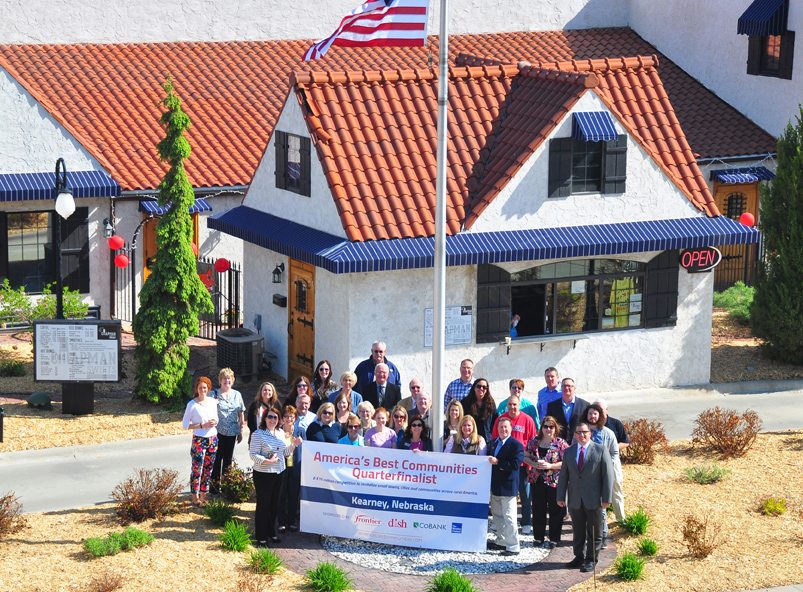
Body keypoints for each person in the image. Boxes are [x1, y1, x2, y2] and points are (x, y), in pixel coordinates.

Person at [557, 422, 614, 573]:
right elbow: (563, 476)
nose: (581, 435)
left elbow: (608, 476)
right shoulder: (569, 452)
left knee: (594, 531)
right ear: (575, 435)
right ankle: (579, 557)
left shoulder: (600, 450)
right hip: (575, 499)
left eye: (584, 432)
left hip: (594, 499)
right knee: (578, 530)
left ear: (590, 433)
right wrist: (561, 495)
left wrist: (606, 498)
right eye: (578, 432)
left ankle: (591, 559)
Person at [249, 408, 298, 546]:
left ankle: (271, 532)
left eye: (275, 417)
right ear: (265, 418)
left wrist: (294, 445)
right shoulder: (258, 434)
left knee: (274, 505)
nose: (272, 420)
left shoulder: (281, 433)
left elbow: (286, 453)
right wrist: (267, 461)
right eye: (270, 417)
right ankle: (261, 536)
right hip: (263, 474)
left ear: (279, 420)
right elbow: (253, 454)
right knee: (264, 505)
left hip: (279, 473)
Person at [492, 393, 537, 535]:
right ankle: (500, 523)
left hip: (523, 464)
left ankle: (526, 522)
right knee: (501, 495)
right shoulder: (501, 419)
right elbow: (495, 439)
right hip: (503, 465)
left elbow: (532, 441)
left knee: (525, 494)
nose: (512, 407)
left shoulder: (527, 419)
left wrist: (531, 464)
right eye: (510, 404)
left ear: (519, 405)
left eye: (515, 404)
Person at [524, 415, 569, 549]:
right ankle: (538, 538)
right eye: (545, 426)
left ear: (555, 428)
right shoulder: (534, 442)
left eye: (551, 427)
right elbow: (525, 456)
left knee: (555, 511)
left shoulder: (560, 443)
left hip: (554, 481)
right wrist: (533, 463)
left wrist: (550, 466)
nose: (548, 429)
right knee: (538, 510)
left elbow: (567, 461)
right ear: (541, 428)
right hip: (537, 480)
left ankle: (554, 538)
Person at [487, 416, 524, 556]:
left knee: (509, 517)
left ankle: (513, 546)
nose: (503, 429)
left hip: (508, 488)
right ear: (497, 429)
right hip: (495, 486)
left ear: (510, 429)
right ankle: (502, 541)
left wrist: (498, 462)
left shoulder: (516, 445)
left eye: (505, 427)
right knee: (497, 516)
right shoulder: (493, 443)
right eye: (500, 427)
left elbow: (516, 464)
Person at [586, 403, 620, 548]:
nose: (592, 416)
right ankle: (590, 537)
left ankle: (603, 536)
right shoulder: (582, 431)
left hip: (601, 476)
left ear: (600, 416)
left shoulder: (608, 433)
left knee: (602, 509)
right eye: (590, 414)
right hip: (586, 477)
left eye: (595, 413)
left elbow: (614, 453)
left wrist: (605, 467)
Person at [181, 376, 219, 506]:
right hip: (199, 439)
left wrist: (214, 422)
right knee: (197, 468)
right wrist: (202, 425)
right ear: (197, 389)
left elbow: (216, 419)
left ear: (208, 389)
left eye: (205, 387)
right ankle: (194, 496)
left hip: (212, 439)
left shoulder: (213, 401)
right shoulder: (192, 405)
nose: (203, 390)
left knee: (208, 468)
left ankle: (203, 495)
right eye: (200, 387)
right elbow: (185, 425)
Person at [210, 368, 245, 494]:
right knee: (216, 459)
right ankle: (214, 489)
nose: (227, 381)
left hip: (232, 432)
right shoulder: (213, 394)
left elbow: (241, 413)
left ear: (233, 380)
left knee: (228, 460)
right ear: (220, 380)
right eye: (224, 378)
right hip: (216, 432)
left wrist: (241, 431)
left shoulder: (237, 395)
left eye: (229, 378)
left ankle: (226, 488)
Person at [286, 392, 317, 531]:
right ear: (296, 403)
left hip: (303, 460)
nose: (303, 405)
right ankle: (286, 517)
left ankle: (300, 518)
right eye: (301, 402)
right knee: (288, 490)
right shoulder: (290, 417)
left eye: (306, 403)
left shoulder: (314, 418)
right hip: (287, 460)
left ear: (309, 405)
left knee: (302, 491)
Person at [596, 398, 629, 523]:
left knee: (616, 489)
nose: (598, 412)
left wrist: (612, 446)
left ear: (606, 410)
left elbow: (625, 442)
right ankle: (600, 520)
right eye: (596, 409)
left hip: (612, 462)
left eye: (601, 409)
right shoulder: (591, 426)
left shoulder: (615, 423)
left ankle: (621, 518)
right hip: (596, 465)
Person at [547, 378, 589, 445]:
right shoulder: (552, 406)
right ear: (561, 388)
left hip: (578, 443)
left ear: (574, 388)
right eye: (564, 386)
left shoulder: (585, 405)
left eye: (569, 386)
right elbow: (549, 424)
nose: (566, 388)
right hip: (558, 444)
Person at [277, 404, 297, 533]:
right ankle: (281, 522)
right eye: (286, 416)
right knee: (281, 494)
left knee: (293, 494)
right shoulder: (278, 432)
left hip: (295, 466)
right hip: (282, 466)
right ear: (282, 419)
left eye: (291, 416)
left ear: (294, 418)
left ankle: (292, 521)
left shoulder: (299, 431)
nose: (289, 419)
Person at [461, 378, 498, 444]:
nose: (481, 388)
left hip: (487, 440)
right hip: (470, 440)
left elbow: (495, 421)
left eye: (484, 387)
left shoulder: (491, 403)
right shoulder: (465, 403)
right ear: (474, 388)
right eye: (479, 386)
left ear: (487, 390)